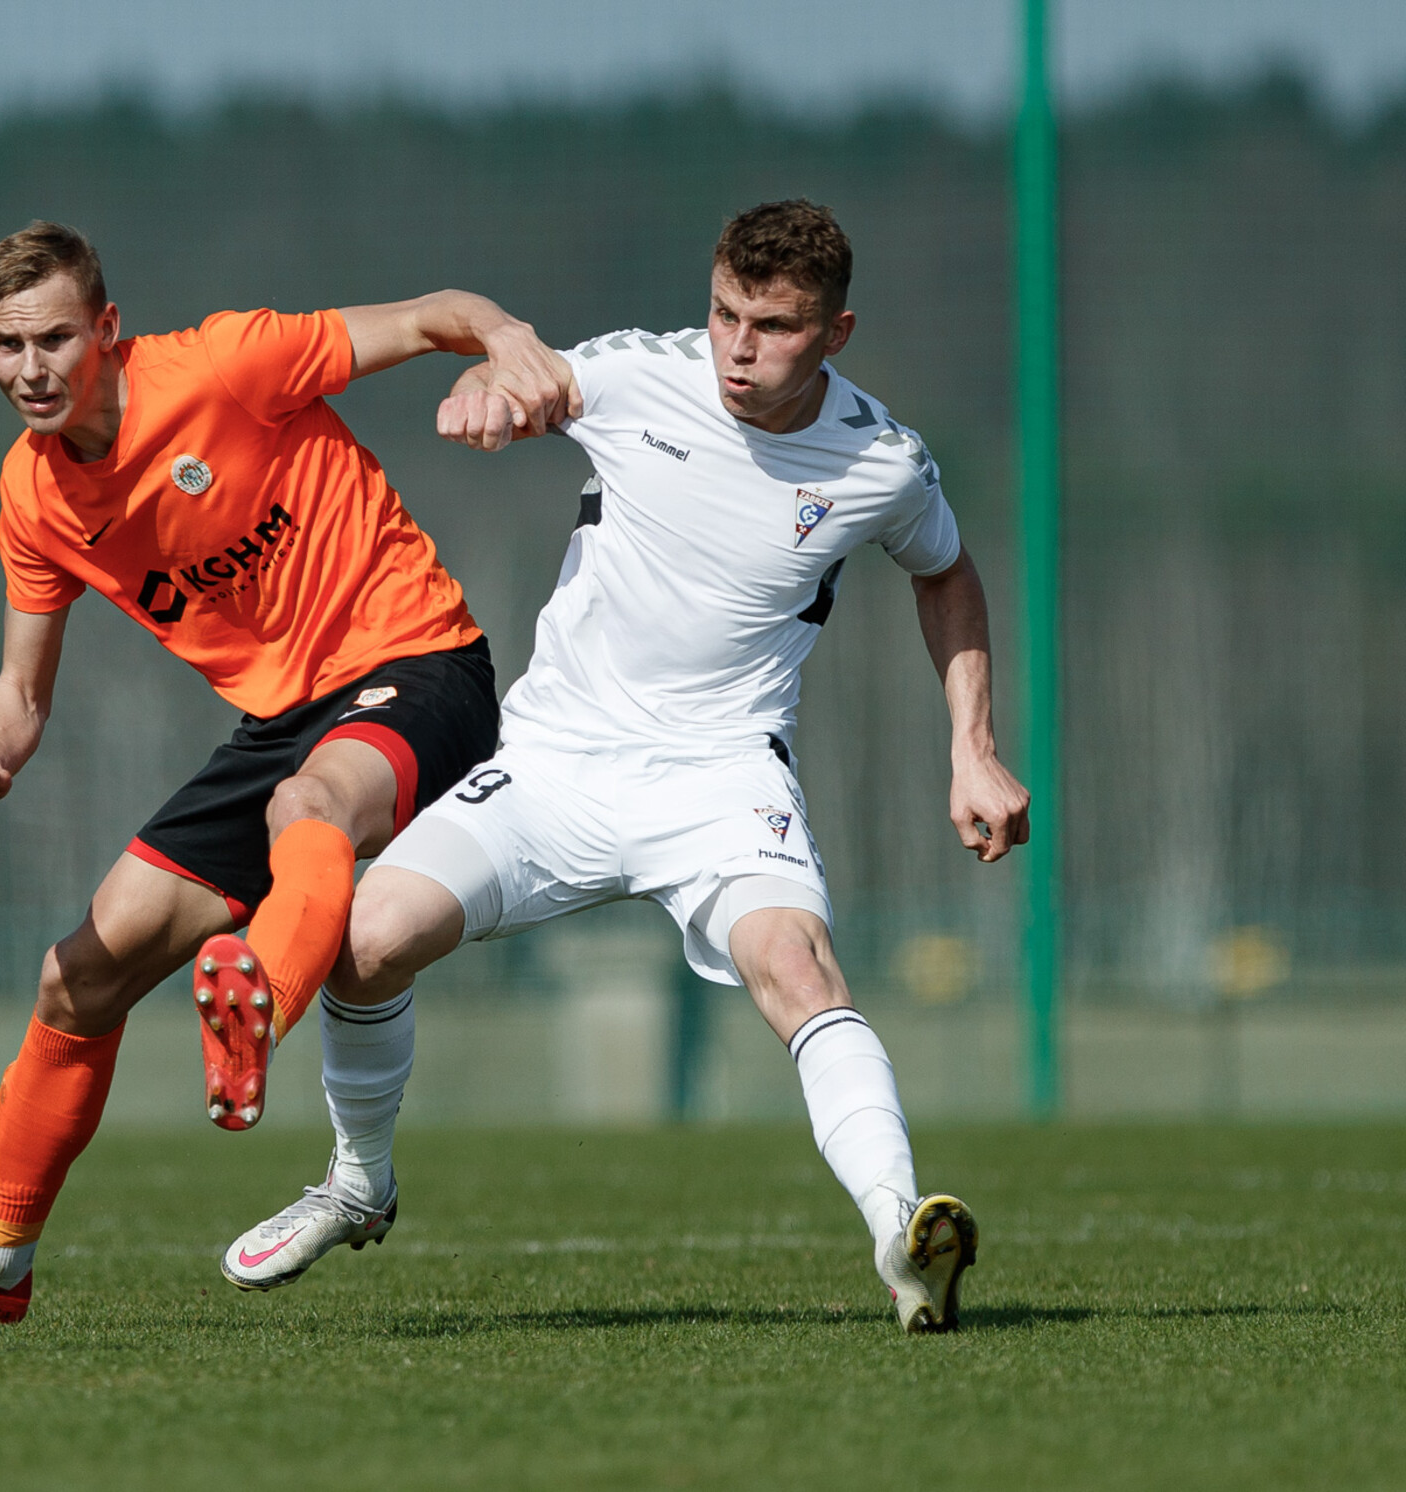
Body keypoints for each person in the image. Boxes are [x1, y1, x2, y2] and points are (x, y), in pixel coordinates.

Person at [220, 200, 1030, 1333]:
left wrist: (973, 748)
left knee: (797, 969)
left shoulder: (880, 461)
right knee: (360, 941)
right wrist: (485, 395)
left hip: (719, 776)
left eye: (775, 325)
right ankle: (359, 1181)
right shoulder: (632, 375)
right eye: (723, 313)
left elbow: (943, 573)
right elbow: (528, 378)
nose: (738, 348)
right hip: (554, 762)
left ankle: (902, 1238)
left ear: (834, 333)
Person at [0, 221, 568, 1330]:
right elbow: (19, 689)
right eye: (4, 345)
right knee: (78, 973)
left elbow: (432, 315)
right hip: (280, 720)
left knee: (307, 805)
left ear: (107, 329)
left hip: (417, 666)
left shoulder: (226, 363)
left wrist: (506, 344)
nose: (31, 370)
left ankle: (256, 1000)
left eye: (54, 340)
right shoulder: (33, 495)